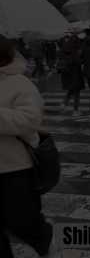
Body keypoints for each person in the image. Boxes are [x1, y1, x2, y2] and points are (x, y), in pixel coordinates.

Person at [0, 36, 53, 257]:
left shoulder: (18, 83)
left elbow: (30, 120)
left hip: (14, 168)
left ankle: (42, 237)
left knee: (23, 221)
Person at [58, 34, 84, 117]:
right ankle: (75, 110)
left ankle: (64, 103)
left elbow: (60, 59)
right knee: (76, 92)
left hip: (66, 74)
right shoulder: (75, 51)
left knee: (71, 89)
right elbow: (78, 62)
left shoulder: (64, 48)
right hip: (75, 73)